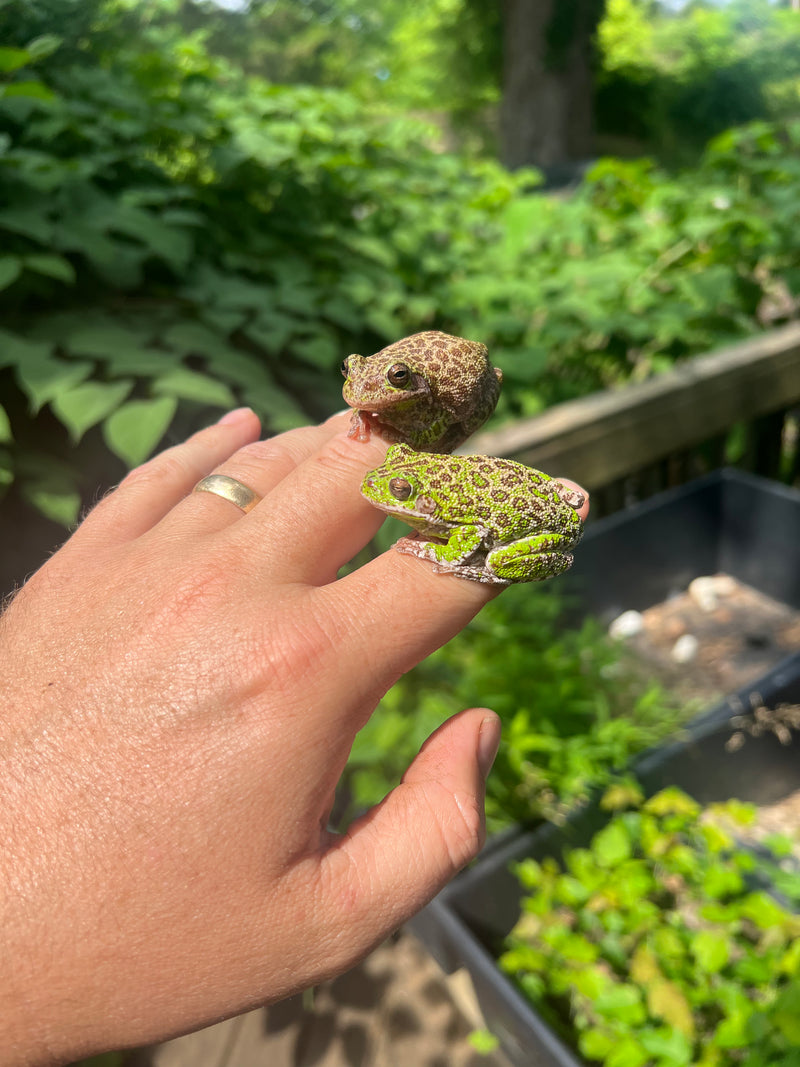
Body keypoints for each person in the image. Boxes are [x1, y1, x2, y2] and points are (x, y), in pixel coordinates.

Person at [0, 409, 588, 1065]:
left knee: (495, 551)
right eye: (394, 483)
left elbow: (478, 530)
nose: (382, 492)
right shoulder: (425, 482)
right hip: (505, 492)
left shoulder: (449, 507)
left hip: (514, 524)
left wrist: (450, 551)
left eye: (398, 492)